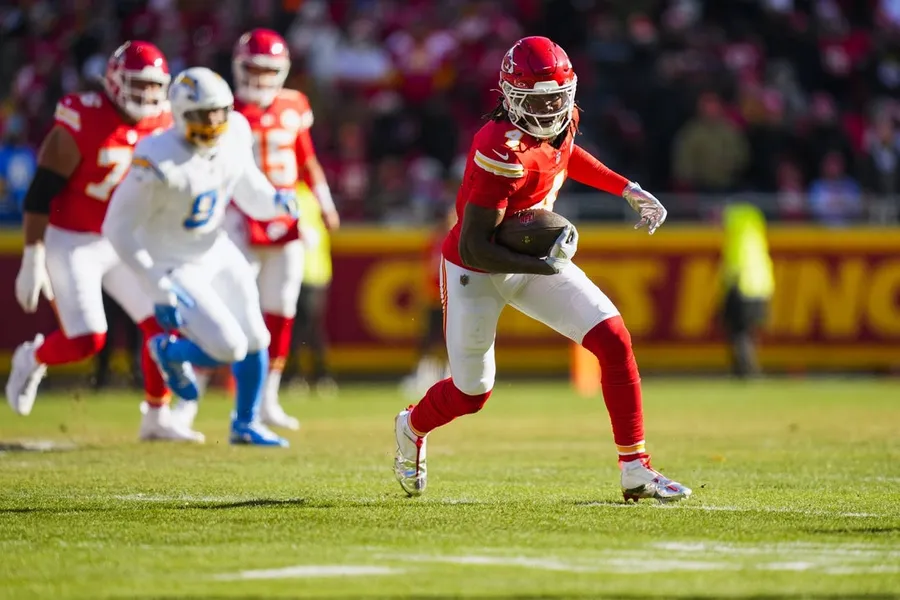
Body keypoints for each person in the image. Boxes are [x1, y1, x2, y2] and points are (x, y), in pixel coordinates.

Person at [393, 36, 692, 503]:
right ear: (510, 96)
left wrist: (626, 188)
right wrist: (541, 263)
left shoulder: (562, 119)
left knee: (613, 339)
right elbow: (475, 246)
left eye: (557, 97)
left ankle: (635, 468)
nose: (550, 108)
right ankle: (411, 426)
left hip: (529, 259)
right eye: (537, 100)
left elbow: (566, 155)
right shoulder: (499, 148)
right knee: (472, 393)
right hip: (476, 268)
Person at [4, 41, 193, 442]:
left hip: (123, 238)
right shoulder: (84, 118)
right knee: (87, 339)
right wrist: (33, 255)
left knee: (163, 322)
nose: (147, 94)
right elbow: (40, 192)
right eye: (138, 84)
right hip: (72, 239)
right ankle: (31, 358)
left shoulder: (165, 122)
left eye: (154, 85)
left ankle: (156, 416)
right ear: (115, 81)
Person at [103, 67, 299, 447]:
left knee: (256, 336)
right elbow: (116, 227)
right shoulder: (157, 157)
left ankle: (245, 424)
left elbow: (248, 188)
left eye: (217, 112)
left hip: (216, 249)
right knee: (229, 346)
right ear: (179, 114)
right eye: (201, 114)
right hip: (173, 263)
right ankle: (167, 350)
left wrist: (274, 202)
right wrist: (153, 281)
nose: (211, 123)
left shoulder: (236, 132)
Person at [223, 28, 340, 429]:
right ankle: (195, 397)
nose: (259, 77)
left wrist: (325, 203)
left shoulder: (294, 104)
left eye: (267, 69)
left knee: (282, 309)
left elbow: (306, 159)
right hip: (238, 217)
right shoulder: (225, 107)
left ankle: (267, 398)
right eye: (252, 69)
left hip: (285, 218)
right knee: (231, 308)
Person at [719, 203, 774, 379]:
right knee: (750, 331)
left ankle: (745, 370)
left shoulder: (738, 237)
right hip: (760, 287)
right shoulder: (756, 235)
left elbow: (733, 266)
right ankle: (750, 367)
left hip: (741, 287)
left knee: (738, 331)